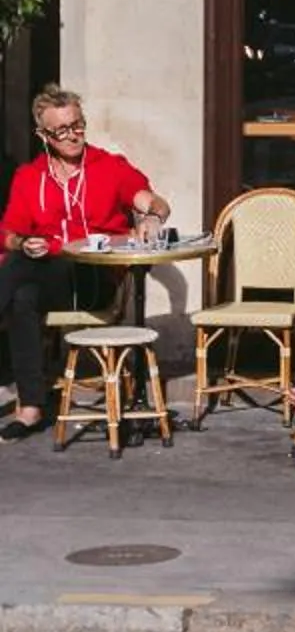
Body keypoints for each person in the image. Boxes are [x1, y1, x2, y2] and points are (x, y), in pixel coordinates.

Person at [0, 87, 172, 442]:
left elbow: (154, 202)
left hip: (94, 278)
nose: (72, 135)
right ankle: (31, 406)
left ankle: (30, 405)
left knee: (29, 268)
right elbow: (7, 234)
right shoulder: (29, 177)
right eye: (61, 130)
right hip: (45, 275)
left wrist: (153, 218)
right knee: (22, 295)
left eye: (77, 125)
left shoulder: (109, 166)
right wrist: (22, 242)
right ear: (43, 135)